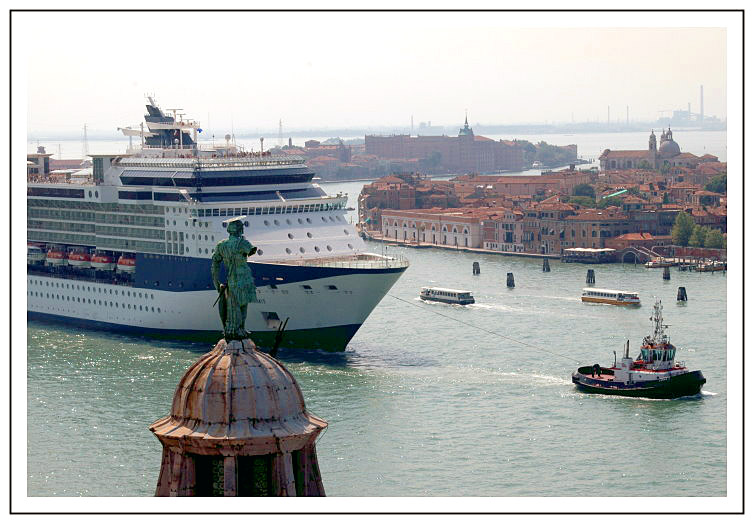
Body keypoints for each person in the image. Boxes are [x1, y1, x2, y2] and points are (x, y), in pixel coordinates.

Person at [211, 217, 258, 340]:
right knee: (243, 306)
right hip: (244, 278)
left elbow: (215, 263)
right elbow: (252, 250)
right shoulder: (243, 243)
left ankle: (233, 329)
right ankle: (239, 329)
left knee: (233, 306)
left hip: (231, 279)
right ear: (240, 230)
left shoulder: (221, 245)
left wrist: (216, 282)